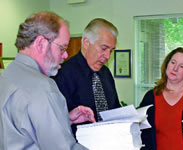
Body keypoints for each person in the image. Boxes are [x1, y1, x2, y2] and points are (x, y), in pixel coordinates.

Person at [0, 11, 96, 150]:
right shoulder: (43, 87)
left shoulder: (7, 75)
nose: (66, 55)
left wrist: (63, 119)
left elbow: (19, 131)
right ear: (41, 43)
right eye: (62, 48)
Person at [53, 18, 121, 135]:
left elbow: (115, 108)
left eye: (111, 50)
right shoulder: (63, 74)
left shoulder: (106, 73)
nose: (107, 56)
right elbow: (56, 122)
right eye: (104, 48)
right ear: (86, 43)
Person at [139, 47, 183, 150]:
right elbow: (142, 133)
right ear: (167, 63)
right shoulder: (150, 97)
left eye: (182, 66)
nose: (175, 69)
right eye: (173, 62)